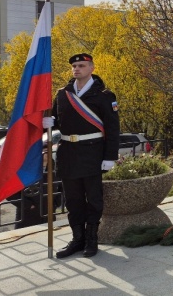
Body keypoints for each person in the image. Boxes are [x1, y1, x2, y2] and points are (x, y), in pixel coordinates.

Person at [43, 53, 120, 258]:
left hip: (93, 153)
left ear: (92, 68)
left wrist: (109, 156)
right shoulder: (63, 94)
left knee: (93, 199)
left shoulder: (104, 95)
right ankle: (77, 240)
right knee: (73, 199)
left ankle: (92, 239)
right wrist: (49, 122)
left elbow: (113, 128)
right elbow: (57, 119)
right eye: (74, 66)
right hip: (68, 152)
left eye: (81, 65)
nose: (77, 69)